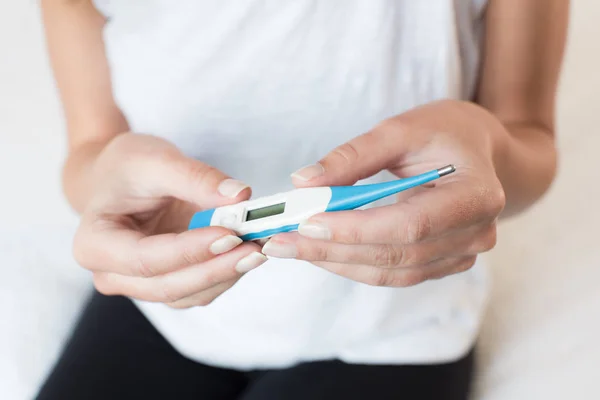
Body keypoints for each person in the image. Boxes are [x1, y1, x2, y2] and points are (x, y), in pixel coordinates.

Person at [36, 0, 568, 399]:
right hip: (161, 304)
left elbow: (528, 138)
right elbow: (89, 151)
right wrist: (103, 185)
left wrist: (487, 143)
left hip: (394, 328)